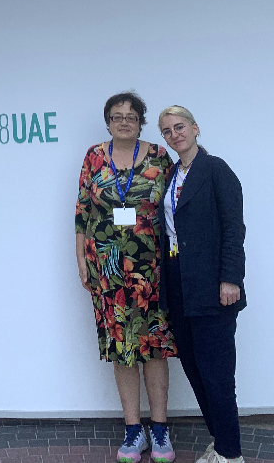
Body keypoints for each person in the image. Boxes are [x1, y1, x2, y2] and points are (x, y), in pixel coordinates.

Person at [76, 92, 178, 463]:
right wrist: (81, 258)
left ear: (140, 122)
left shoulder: (160, 157)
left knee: (154, 347)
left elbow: (176, 209)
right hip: (107, 271)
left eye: (131, 116)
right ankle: (133, 429)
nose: (124, 121)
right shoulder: (93, 156)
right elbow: (82, 212)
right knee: (123, 349)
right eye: (117, 116)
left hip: (152, 270)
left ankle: (160, 429)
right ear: (107, 122)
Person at [157, 106, 247, 463]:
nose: (174, 135)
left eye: (179, 127)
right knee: (195, 370)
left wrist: (231, 278)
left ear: (195, 128)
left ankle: (231, 454)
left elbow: (233, 228)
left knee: (217, 375)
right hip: (179, 285)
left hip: (213, 287)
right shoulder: (170, 176)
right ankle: (220, 441)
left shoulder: (215, 169)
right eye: (166, 131)